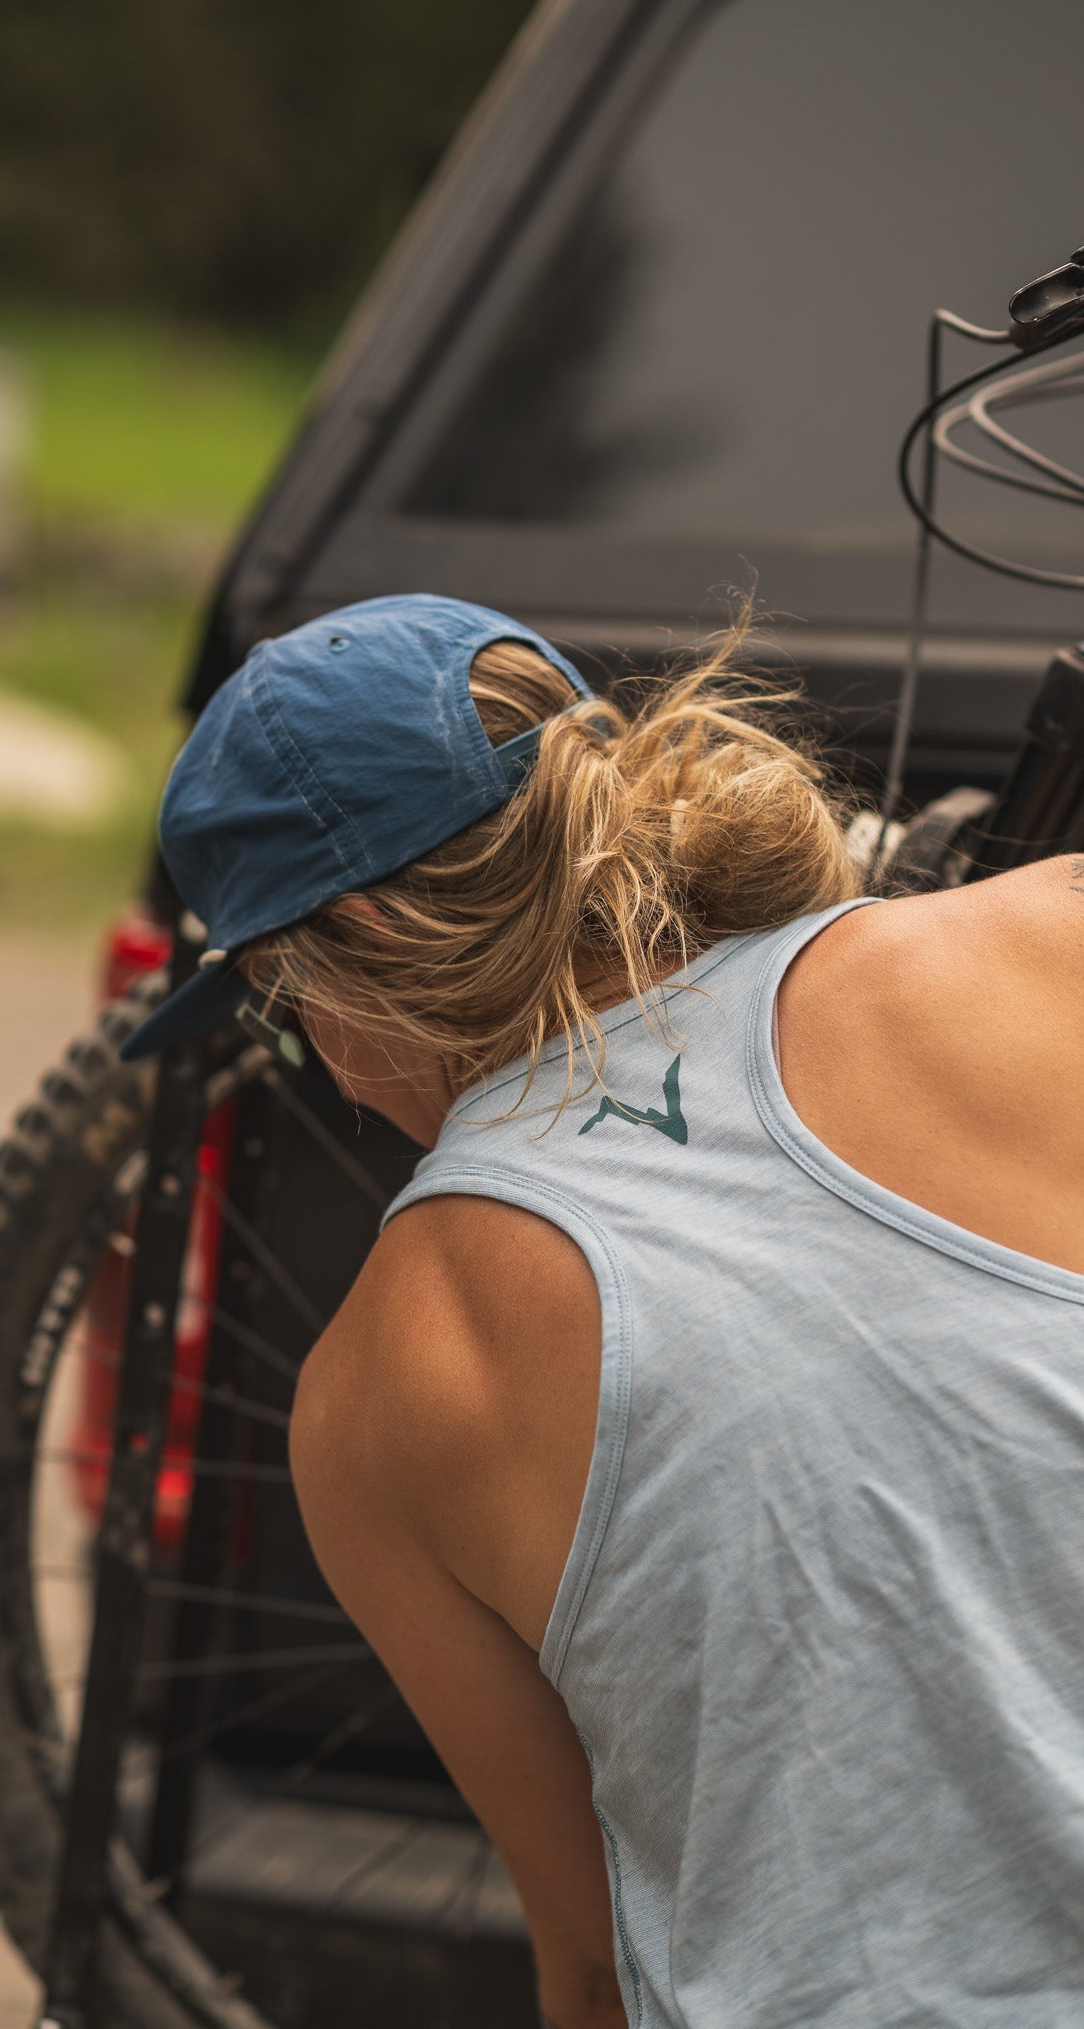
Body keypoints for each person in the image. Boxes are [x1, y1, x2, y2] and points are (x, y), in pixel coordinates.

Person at [122, 592, 1084, 2029]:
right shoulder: (1038, 939)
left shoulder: (378, 1389)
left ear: (371, 936)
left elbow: (591, 1959)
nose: (321, 1073)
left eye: (279, 1000)